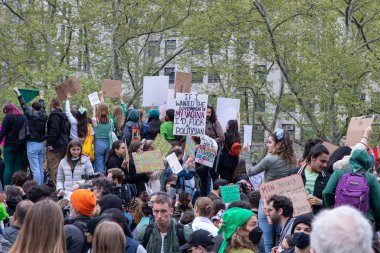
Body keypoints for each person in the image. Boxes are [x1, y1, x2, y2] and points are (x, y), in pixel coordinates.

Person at [244, 129, 296, 253]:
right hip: (285, 201)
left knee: (266, 240)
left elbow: (250, 172)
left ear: (278, 144)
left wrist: (247, 154)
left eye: (269, 142)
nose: (267, 145)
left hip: (268, 200)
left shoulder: (270, 159)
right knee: (281, 237)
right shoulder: (292, 160)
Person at [323, 148, 380, 231]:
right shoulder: (371, 178)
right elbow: (378, 204)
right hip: (364, 224)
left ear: (351, 159)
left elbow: (326, 192)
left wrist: (331, 210)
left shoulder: (339, 173)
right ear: (368, 163)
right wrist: (377, 225)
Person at [14, 87, 47, 185]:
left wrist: (18, 93)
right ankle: (41, 186)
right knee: (40, 168)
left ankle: (37, 187)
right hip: (42, 144)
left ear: (32, 108)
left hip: (32, 144)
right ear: (40, 108)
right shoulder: (44, 115)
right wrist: (41, 96)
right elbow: (42, 107)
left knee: (35, 169)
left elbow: (23, 105)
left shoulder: (30, 115)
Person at [296, 144, 330, 214]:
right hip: (296, 218)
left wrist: (321, 202)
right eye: (322, 161)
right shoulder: (294, 174)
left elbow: (333, 203)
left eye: (326, 162)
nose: (325, 165)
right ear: (313, 158)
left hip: (316, 219)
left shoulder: (328, 178)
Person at [0, 103, 26, 185]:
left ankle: (7, 188)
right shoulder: (23, 118)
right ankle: (17, 187)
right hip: (21, 146)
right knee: (17, 167)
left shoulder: (8, 117)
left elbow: (3, 132)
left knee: (8, 167)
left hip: (9, 146)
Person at [46, 97, 69, 183]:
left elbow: (54, 130)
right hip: (64, 143)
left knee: (53, 168)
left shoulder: (54, 116)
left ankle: (57, 189)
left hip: (56, 145)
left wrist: (50, 143)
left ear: (51, 104)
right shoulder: (63, 115)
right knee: (62, 167)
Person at [92, 102, 113, 173]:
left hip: (98, 143)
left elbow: (93, 117)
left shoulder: (95, 120)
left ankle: (100, 179)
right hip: (108, 143)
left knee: (99, 162)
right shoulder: (110, 120)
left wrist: (94, 109)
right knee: (106, 162)